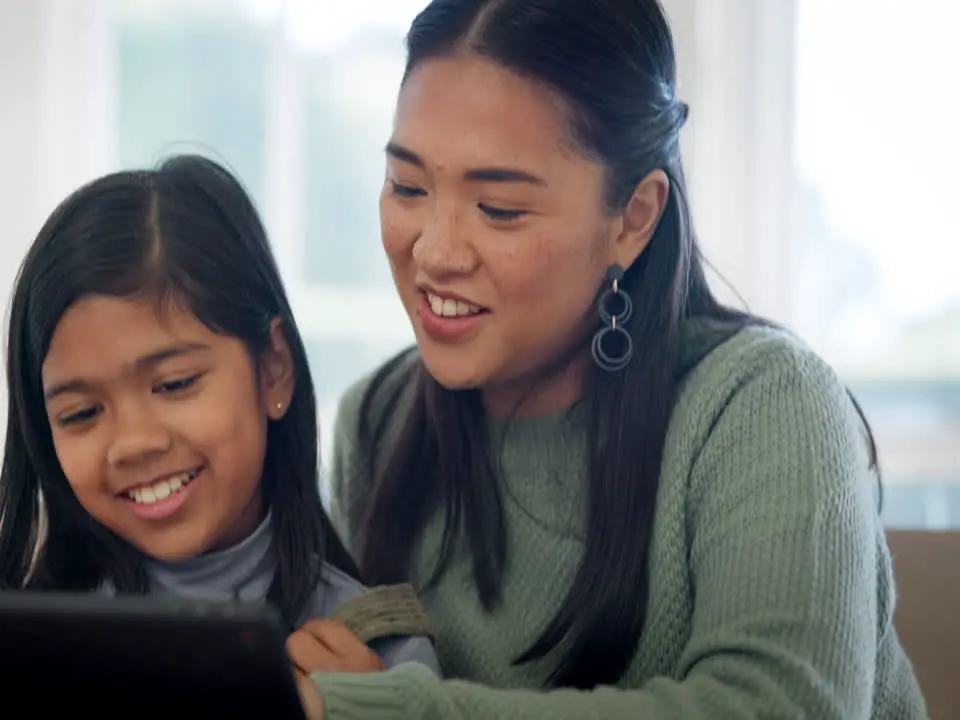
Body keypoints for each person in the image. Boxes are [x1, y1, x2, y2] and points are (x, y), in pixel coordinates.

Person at [293, 0, 929, 718]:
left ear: (634, 218)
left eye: (499, 208)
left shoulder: (765, 406)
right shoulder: (378, 420)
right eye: (408, 187)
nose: (434, 252)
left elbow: (780, 707)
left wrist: (395, 712)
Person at [0, 154, 439, 674]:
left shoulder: (376, 656)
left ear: (273, 369)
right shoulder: (22, 646)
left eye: (174, 384)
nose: (134, 442)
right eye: (81, 414)